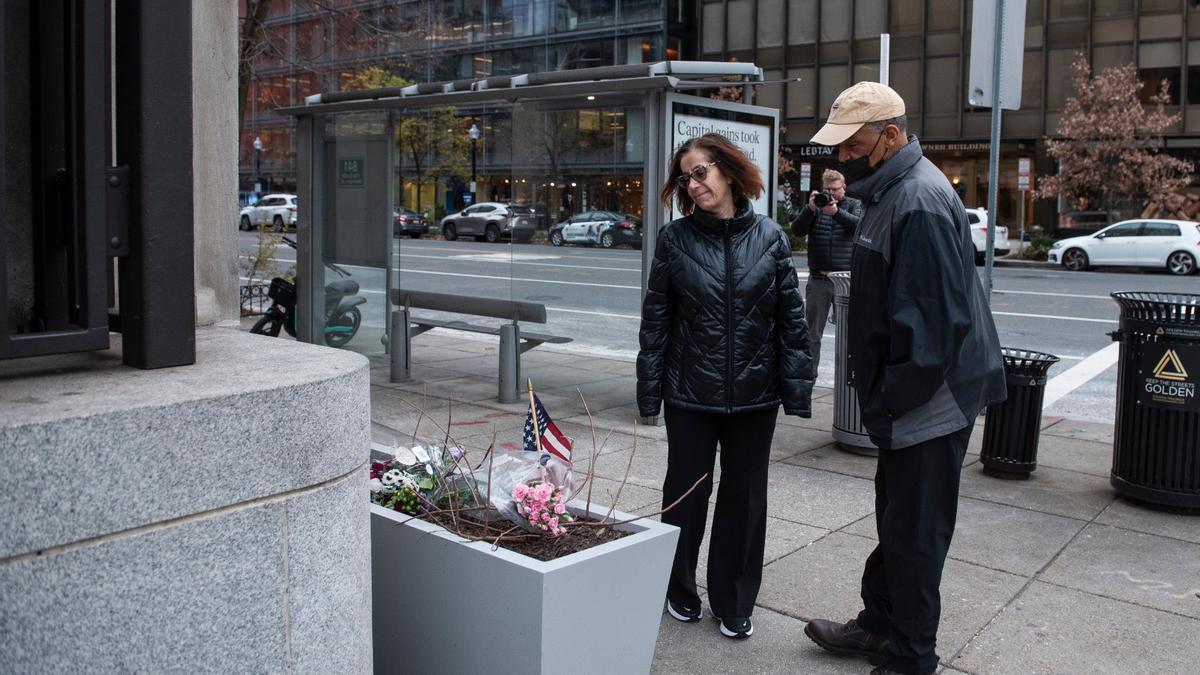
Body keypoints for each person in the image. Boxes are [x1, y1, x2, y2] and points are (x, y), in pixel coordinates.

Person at [800, 82, 1006, 675]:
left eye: (853, 144)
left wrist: (888, 404)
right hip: (914, 396)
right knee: (899, 519)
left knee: (915, 533)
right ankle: (880, 625)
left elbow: (934, 329)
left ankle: (910, 657)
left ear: (890, 136)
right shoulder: (894, 191)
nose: (841, 157)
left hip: (928, 401)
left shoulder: (916, 199)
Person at [637, 133, 813, 641]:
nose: (693, 185)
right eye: (685, 177)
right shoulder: (675, 241)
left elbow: (791, 322)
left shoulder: (771, 238)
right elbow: (657, 323)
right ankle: (678, 588)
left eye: (701, 172)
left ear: (729, 172)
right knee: (687, 495)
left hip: (756, 397)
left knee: (745, 498)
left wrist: (796, 391)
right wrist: (650, 392)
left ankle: (734, 600)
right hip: (690, 393)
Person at [790, 168, 862, 377]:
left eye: (835, 189)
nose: (831, 193)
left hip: (846, 280)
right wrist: (810, 209)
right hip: (819, 279)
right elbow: (797, 231)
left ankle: (849, 376)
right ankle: (809, 377)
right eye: (827, 189)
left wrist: (836, 212)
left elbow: (859, 227)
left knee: (849, 333)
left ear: (844, 187)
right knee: (812, 334)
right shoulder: (817, 207)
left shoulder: (854, 204)